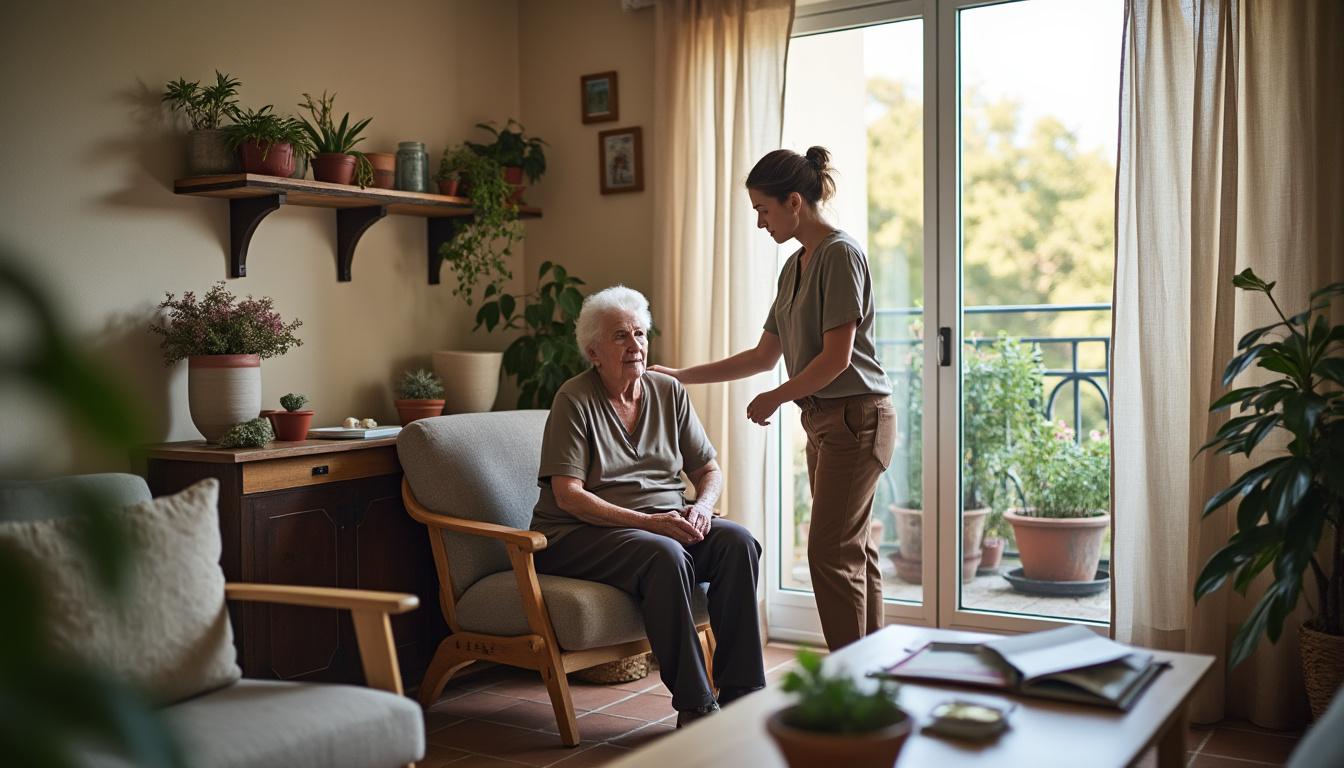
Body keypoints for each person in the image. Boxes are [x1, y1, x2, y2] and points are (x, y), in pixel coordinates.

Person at [651, 146, 896, 651]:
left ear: (794, 202)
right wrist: (680, 375)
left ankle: (851, 684)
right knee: (851, 553)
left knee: (830, 554)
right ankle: (870, 673)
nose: (761, 223)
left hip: (857, 418)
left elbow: (837, 359)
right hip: (826, 423)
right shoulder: (795, 267)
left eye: (764, 210)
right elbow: (764, 355)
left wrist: (776, 398)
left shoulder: (840, 254)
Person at [530, 285, 766, 727]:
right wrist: (650, 522)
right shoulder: (574, 400)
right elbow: (568, 495)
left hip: (662, 525)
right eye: (621, 336)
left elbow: (709, 470)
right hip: (579, 533)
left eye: (640, 333)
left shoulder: (668, 392)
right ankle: (696, 706)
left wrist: (701, 507)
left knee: (737, 541)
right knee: (665, 553)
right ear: (594, 351)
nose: (635, 345)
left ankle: (741, 691)